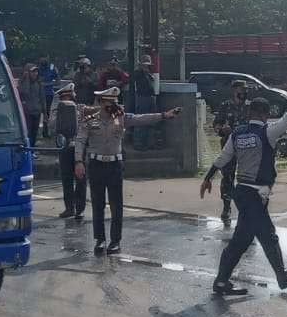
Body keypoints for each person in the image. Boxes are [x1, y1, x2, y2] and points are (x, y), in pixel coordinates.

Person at [199, 89, 287, 296]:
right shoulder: (268, 132)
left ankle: (221, 282)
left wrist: (208, 177)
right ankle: (282, 277)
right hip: (254, 196)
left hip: (243, 193)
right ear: (265, 114)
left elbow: (223, 157)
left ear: (249, 114)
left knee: (241, 241)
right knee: (268, 236)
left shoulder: (237, 133)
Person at [73, 86, 181, 255]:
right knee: (98, 204)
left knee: (116, 205)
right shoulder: (90, 120)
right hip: (96, 165)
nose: (113, 105)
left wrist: (164, 115)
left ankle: (115, 241)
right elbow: (80, 141)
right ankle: (100, 240)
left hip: (114, 165)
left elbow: (140, 119)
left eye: (115, 102)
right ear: (101, 103)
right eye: (109, 102)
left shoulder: (120, 117)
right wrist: (78, 161)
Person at [211, 79, 250, 225]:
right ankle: (226, 207)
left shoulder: (250, 106)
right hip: (229, 146)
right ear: (234, 91)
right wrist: (221, 130)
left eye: (246, 91)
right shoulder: (226, 106)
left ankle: (246, 208)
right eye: (241, 91)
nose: (244, 93)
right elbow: (216, 124)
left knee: (246, 178)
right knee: (227, 177)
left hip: (247, 148)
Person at [52, 82, 86, 220]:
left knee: (77, 179)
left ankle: (76, 208)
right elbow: (52, 127)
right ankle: (73, 208)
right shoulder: (59, 111)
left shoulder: (80, 110)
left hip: (74, 146)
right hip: (70, 146)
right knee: (71, 178)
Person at [20, 63, 43, 145]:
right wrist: (26, 79)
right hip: (27, 112)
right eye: (33, 72)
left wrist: (45, 112)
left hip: (37, 112)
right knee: (28, 132)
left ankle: (32, 150)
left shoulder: (39, 83)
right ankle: (28, 149)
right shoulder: (23, 82)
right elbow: (25, 92)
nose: (35, 74)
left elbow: (42, 98)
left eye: (36, 72)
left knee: (34, 133)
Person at [37, 57, 59, 136]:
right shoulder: (38, 69)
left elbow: (58, 82)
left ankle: (45, 131)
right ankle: (36, 131)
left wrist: (47, 84)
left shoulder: (52, 68)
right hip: (38, 93)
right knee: (37, 112)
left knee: (47, 112)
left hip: (48, 93)